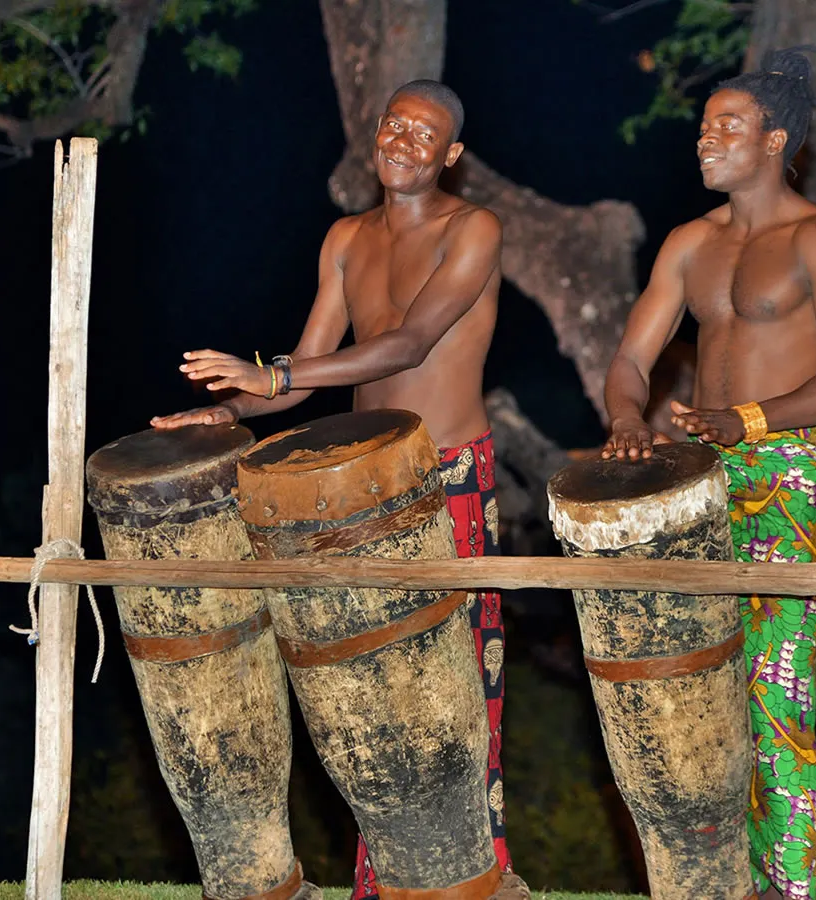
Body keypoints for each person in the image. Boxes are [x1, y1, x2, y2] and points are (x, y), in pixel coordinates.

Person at [150, 79, 525, 900]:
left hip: (445, 472)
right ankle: (381, 882)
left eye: (424, 134)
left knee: (457, 684)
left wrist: (274, 374)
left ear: (452, 154)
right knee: (368, 689)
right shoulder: (347, 238)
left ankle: (468, 878)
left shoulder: (474, 229)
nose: (403, 142)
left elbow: (410, 343)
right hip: (355, 482)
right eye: (394, 125)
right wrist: (229, 410)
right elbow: (307, 368)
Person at [599, 47, 816, 900]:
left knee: (774, 697)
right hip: (702, 469)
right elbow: (632, 360)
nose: (705, 139)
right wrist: (626, 419)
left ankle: (786, 889)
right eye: (703, 126)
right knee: (692, 690)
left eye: (727, 125)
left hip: (789, 468)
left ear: (774, 140)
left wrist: (752, 419)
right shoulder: (690, 243)